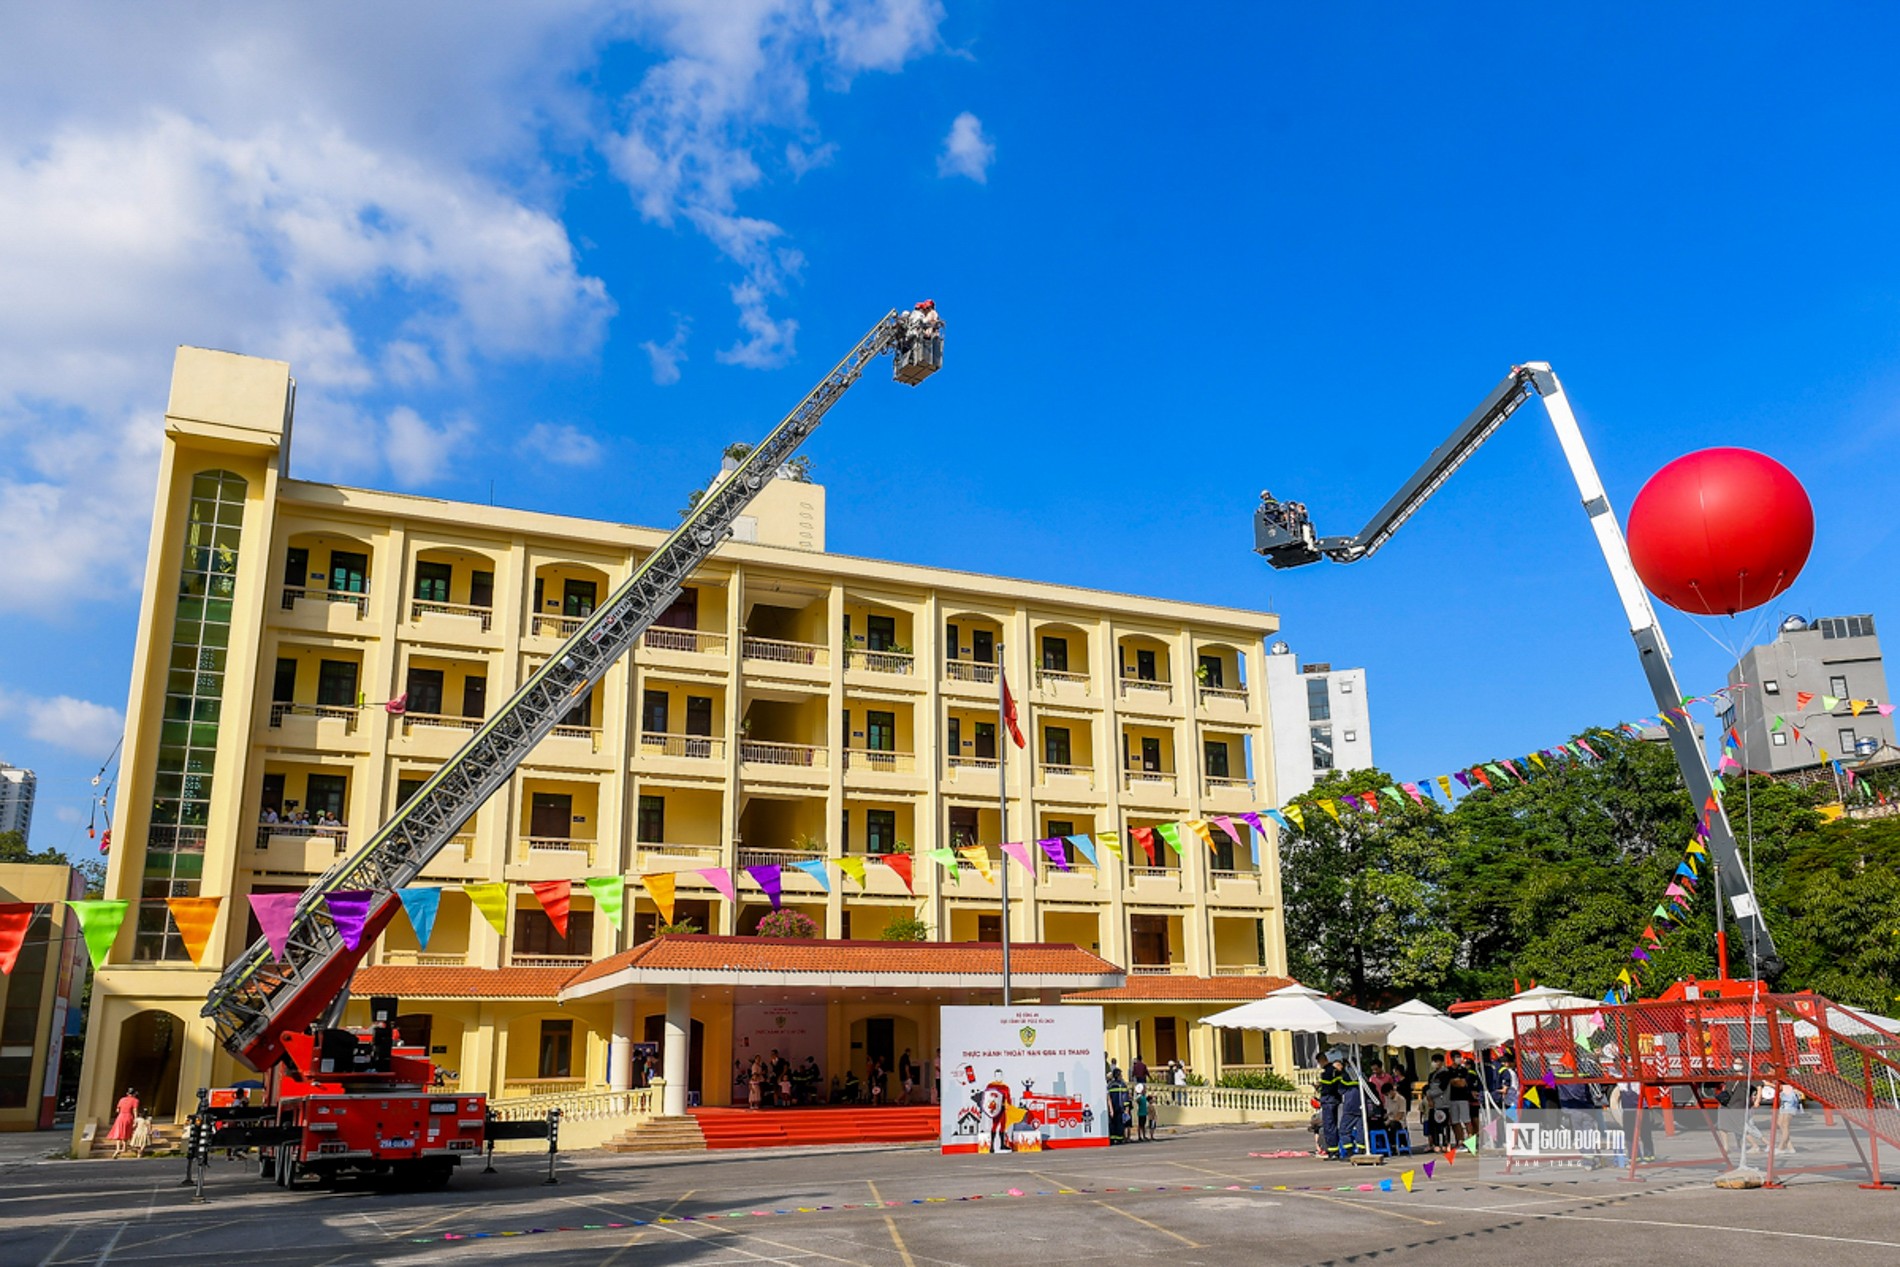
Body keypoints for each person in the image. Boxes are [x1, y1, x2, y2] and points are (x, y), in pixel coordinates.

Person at [1317, 1053, 1348, 1156]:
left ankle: (1333, 1150)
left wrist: (1319, 1087)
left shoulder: (1326, 1073)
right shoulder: (1336, 1071)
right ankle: (1335, 1149)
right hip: (1336, 1100)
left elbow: (1327, 1088)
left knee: (1329, 1126)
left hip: (1328, 1100)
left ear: (1321, 1061)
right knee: (1334, 1125)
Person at [107, 1087, 140, 1158]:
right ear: (134, 1094)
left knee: (119, 1133)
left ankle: (118, 1149)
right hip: (128, 1117)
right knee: (127, 1132)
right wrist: (136, 1120)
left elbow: (117, 1110)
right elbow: (135, 1110)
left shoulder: (122, 1099)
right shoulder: (135, 1100)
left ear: (127, 1093)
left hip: (120, 1117)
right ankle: (126, 1148)